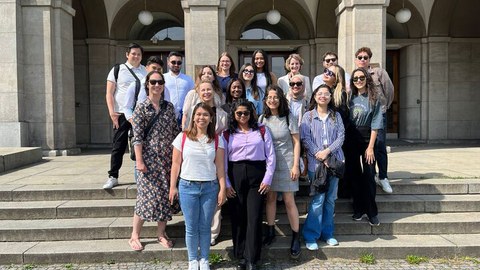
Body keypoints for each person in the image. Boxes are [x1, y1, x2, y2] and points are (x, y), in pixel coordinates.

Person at [169, 103, 227, 270]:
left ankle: (205, 259)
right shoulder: (183, 137)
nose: (201, 117)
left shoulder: (217, 139)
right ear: (193, 117)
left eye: (205, 115)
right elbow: (175, 164)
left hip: (210, 187)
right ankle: (193, 259)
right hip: (187, 186)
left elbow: (220, 167)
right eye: (199, 114)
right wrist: (173, 187)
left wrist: (222, 188)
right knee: (191, 226)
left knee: (205, 226)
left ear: (210, 119)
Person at [128, 70, 180, 252]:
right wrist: (140, 161)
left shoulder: (169, 107)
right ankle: (135, 235)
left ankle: (161, 233)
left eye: (160, 82)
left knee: (166, 198)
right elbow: (137, 137)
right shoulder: (141, 107)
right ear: (147, 85)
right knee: (144, 197)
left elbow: (175, 133)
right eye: (153, 82)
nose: (157, 85)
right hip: (148, 160)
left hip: (166, 160)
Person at [225, 100, 275, 270]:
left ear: (251, 114)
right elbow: (222, 161)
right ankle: (240, 256)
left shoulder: (261, 130)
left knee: (254, 217)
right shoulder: (227, 133)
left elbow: (271, 156)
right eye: (239, 113)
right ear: (233, 114)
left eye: (246, 113)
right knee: (238, 217)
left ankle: (252, 259)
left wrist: (267, 179)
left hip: (257, 174)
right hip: (235, 173)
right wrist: (226, 182)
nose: (243, 116)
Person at [300, 84, 345, 250]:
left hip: (334, 163)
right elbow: (305, 138)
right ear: (315, 96)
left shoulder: (336, 116)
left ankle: (328, 234)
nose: (323, 96)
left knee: (330, 200)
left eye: (326, 93)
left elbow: (341, 137)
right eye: (320, 93)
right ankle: (311, 235)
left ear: (330, 97)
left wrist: (327, 152)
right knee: (318, 200)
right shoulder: (308, 116)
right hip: (315, 165)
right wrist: (319, 154)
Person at [259, 85, 301, 258]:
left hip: (287, 163)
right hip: (270, 165)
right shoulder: (262, 118)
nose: (272, 100)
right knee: (270, 198)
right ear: (266, 100)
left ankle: (296, 236)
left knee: (289, 200)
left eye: (275, 97)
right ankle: (270, 231)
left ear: (280, 98)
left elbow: (297, 142)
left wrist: (296, 165)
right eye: (269, 97)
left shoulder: (288, 117)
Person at [104, 43, 147, 189]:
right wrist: (112, 112)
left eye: (139, 54)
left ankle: (142, 175)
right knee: (119, 145)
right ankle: (113, 176)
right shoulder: (117, 70)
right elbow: (109, 92)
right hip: (121, 113)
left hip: (140, 114)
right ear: (127, 54)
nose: (136, 56)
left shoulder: (145, 71)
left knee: (141, 144)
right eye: (133, 53)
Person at [345, 67, 383, 226]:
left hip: (368, 138)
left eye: (361, 78)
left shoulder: (374, 98)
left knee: (368, 176)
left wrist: (370, 147)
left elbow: (376, 124)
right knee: (354, 175)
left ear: (367, 78)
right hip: (351, 138)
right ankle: (358, 209)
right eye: (355, 79)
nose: (358, 81)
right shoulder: (349, 98)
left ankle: (371, 211)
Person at [354, 47, 394, 194]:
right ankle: (369, 175)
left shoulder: (379, 73)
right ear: (356, 59)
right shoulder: (355, 75)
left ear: (369, 59)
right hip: (362, 118)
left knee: (380, 145)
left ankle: (383, 176)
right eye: (360, 57)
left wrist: (385, 107)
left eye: (365, 57)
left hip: (379, 114)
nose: (362, 59)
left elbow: (389, 90)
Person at [163, 51, 195, 125]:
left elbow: (193, 96)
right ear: (168, 62)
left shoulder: (188, 79)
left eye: (179, 63)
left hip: (184, 117)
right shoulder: (163, 78)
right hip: (166, 116)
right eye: (173, 62)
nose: (176, 65)